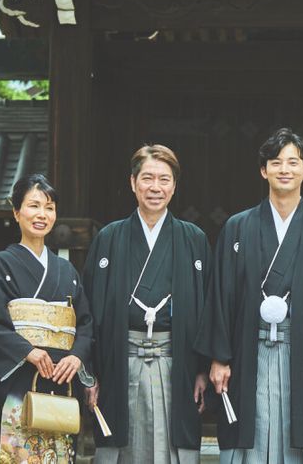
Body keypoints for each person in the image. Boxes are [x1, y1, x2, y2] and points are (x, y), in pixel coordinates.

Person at [195, 127, 303, 463]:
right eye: (276, 162)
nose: (285, 169)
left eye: (293, 162)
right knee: (247, 435)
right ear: (263, 170)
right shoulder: (238, 227)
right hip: (247, 349)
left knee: (298, 437)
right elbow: (220, 295)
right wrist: (219, 358)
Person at [83, 144, 211, 463]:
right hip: (120, 360)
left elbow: (209, 309)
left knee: (173, 447)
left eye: (164, 179)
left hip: (176, 361)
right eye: (147, 178)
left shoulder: (193, 239)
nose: (156, 187)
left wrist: (202, 369)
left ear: (174, 186)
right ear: (132, 182)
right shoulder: (109, 238)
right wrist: (91, 372)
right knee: (121, 445)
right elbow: (88, 312)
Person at [0, 173, 93, 463]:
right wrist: (27, 350)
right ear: (16, 212)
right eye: (34, 205)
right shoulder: (2, 264)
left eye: (49, 208)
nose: (42, 214)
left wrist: (76, 356)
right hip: (19, 379)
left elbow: (85, 323)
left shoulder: (67, 270)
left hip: (61, 381)